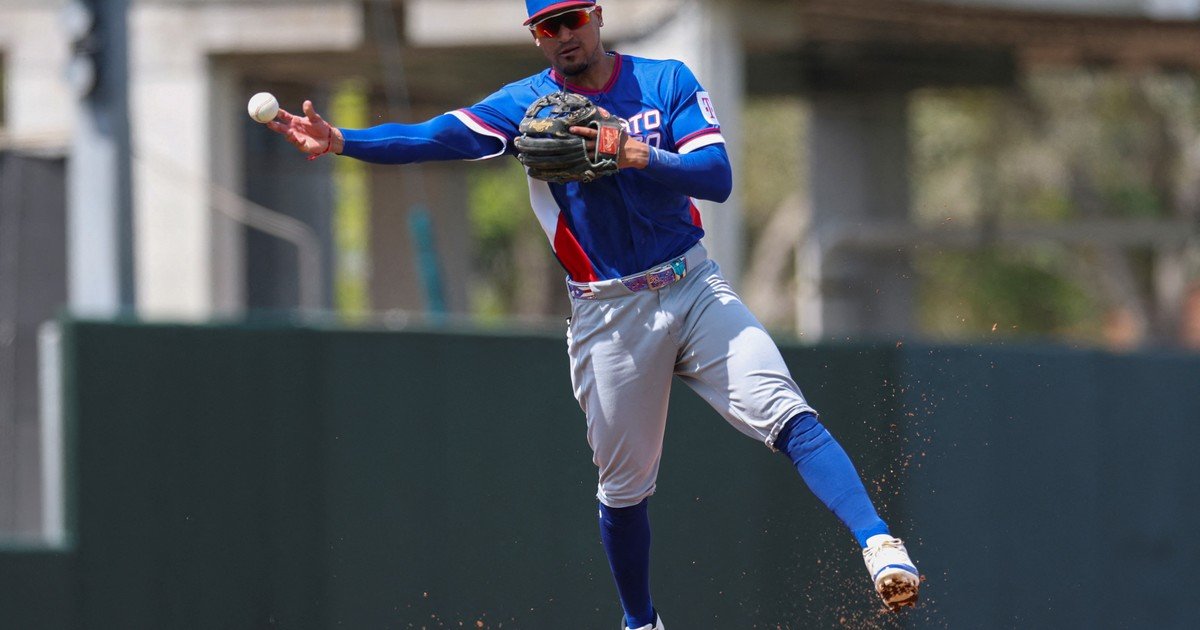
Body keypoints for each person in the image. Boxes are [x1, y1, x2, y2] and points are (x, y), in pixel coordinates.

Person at [266, 1, 920, 627]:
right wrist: (342, 139)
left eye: (573, 18)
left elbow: (715, 176)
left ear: (598, 15)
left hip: (692, 284)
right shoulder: (524, 106)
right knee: (624, 486)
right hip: (609, 313)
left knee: (786, 412)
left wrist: (636, 152)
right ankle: (640, 622)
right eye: (547, 25)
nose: (564, 34)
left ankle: (879, 544)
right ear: (535, 35)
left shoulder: (664, 82)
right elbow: (434, 135)